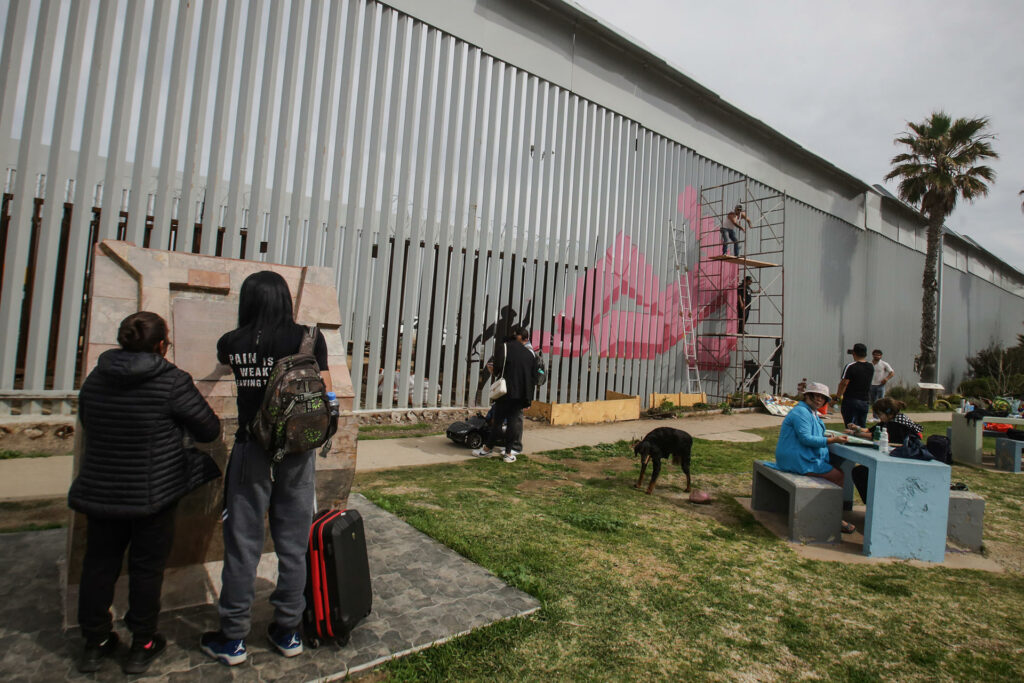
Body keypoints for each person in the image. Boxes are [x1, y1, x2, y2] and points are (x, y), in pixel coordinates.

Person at [69, 312, 221, 675]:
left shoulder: (97, 377)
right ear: (161, 345)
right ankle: (143, 642)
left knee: (99, 565)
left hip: (102, 487)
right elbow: (208, 429)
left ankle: (95, 641)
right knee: (146, 568)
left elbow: (88, 420)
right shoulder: (171, 380)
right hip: (152, 493)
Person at [201, 271, 332, 666]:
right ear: (284, 300)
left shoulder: (232, 342)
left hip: (250, 450)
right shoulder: (308, 337)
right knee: (292, 543)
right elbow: (324, 395)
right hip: (296, 453)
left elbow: (225, 363)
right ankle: (288, 630)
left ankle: (233, 637)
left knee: (243, 546)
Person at [773, 381, 855, 534]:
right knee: (837, 475)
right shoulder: (801, 412)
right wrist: (832, 440)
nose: (818, 400)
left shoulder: (811, 412)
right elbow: (806, 439)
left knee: (835, 470)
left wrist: (828, 436)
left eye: (822, 397)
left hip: (800, 456)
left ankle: (825, 510)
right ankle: (833, 517)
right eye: (815, 396)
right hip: (796, 458)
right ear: (807, 396)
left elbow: (811, 434)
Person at [471, 324, 536, 463]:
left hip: (505, 392)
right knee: (513, 423)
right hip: (520, 394)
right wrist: (528, 399)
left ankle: (486, 450)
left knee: (497, 421)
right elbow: (532, 377)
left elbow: (498, 369)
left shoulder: (505, 348)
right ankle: (508, 453)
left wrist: (492, 371)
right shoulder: (529, 354)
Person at [845, 398, 923, 503]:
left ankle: (872, 503)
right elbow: (870, 430)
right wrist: (857, 428)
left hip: (900, 463)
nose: (878, 417)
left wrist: (854, 434)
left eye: (879, 414)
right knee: (860, 472)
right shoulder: (891, 420)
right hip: (894, 458)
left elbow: (874, 435)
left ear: (888, 413)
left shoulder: (897, 424)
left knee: (860, 473)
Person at [836, 342, 873, 428]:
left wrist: (837, 397)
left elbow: (844, 383)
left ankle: (850, 441)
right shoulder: (870, 366)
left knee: (850, 426)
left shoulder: (851, 366)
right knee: (861, 427)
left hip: (851, 400)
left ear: (854, 353)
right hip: (865, 401)